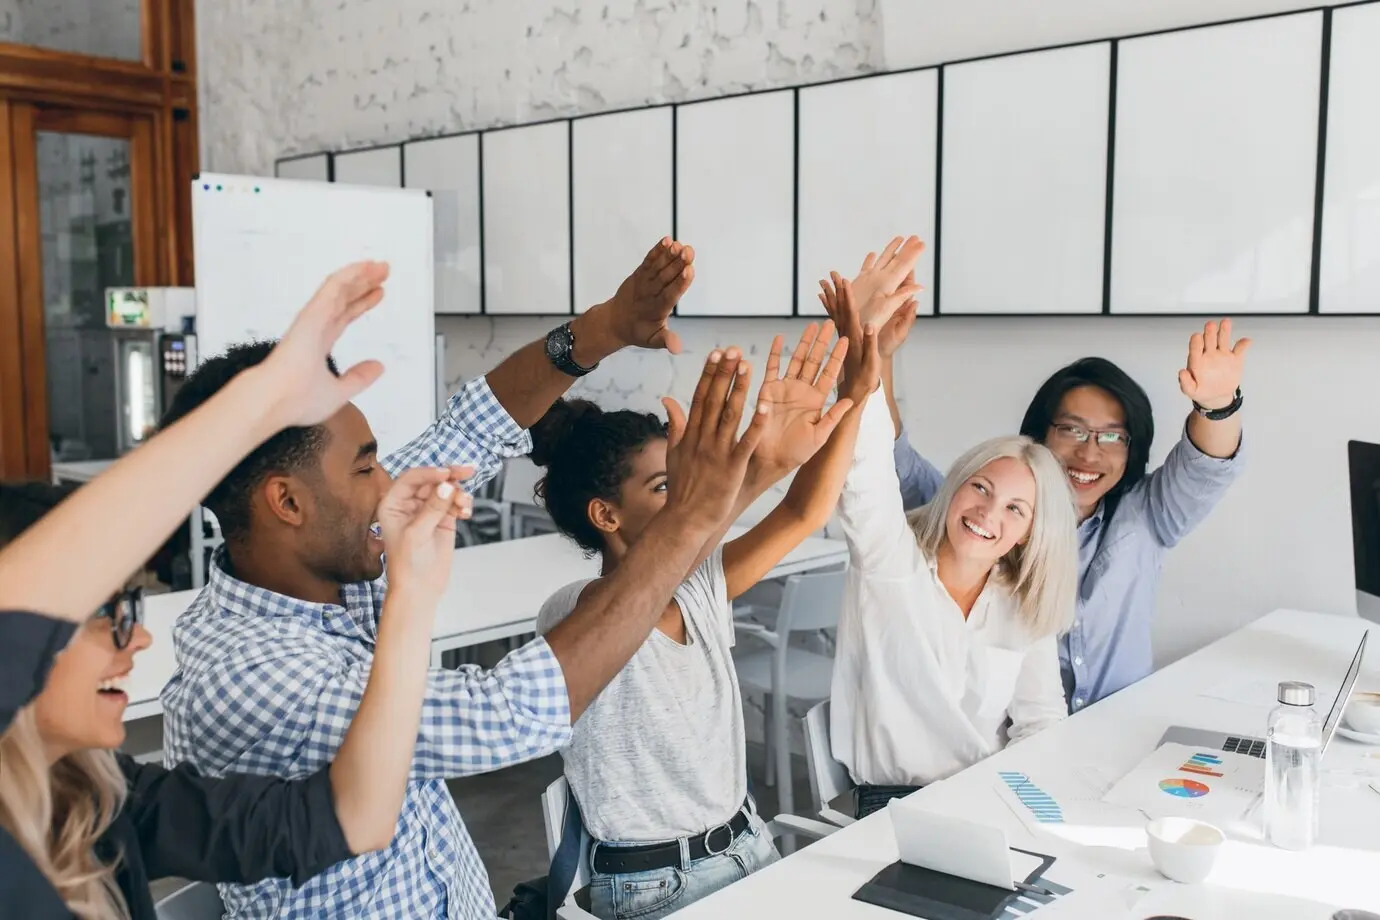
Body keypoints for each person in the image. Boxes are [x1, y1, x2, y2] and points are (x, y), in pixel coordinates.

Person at [156, 240, 783, 919]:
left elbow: (473, 430)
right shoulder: (247, 673)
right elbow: (507, 714)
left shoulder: (332, 550)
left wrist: (602, 330)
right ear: (287, 502)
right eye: (366, 467)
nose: (390, 482)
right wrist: (686, 520)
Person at [0, 263, 467, 919]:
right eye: (103, 613)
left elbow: (352, 820)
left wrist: (411, 594)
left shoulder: (109, 800)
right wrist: (256, 404)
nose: (136, 637)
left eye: (128, 608)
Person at [531, 316, 895, 920]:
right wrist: (750, 474)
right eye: (664, 486)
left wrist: (855, 391)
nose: (687, 497)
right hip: (650, 887)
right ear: (606, 515)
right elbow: (637, 587)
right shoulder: (574, 612)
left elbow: (805, 510)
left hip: (748, 848)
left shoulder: (698, 590)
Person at [822, 237, 1251, 710]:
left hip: (1118, 732)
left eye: (1112, 437)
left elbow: (1206, 468)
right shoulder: (979, 516)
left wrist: (1216, 406)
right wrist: (876, 353)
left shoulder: (1147, 516)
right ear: (1039, 434)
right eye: (1072, 430)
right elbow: (890, 457)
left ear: (1132, 449)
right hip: (1011, 746)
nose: (1089, 454)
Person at [818, 269, 1080, 819]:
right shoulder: (891, 564)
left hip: (991, 798)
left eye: (1016, 508)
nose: (988, 513)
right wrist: (863, 353)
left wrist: (1033, 810)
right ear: (955, 486)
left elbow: (1040, 720)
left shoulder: (1022, 603)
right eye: (979, 488)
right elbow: (865, 473)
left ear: (1032, 531)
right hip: (893, 809)